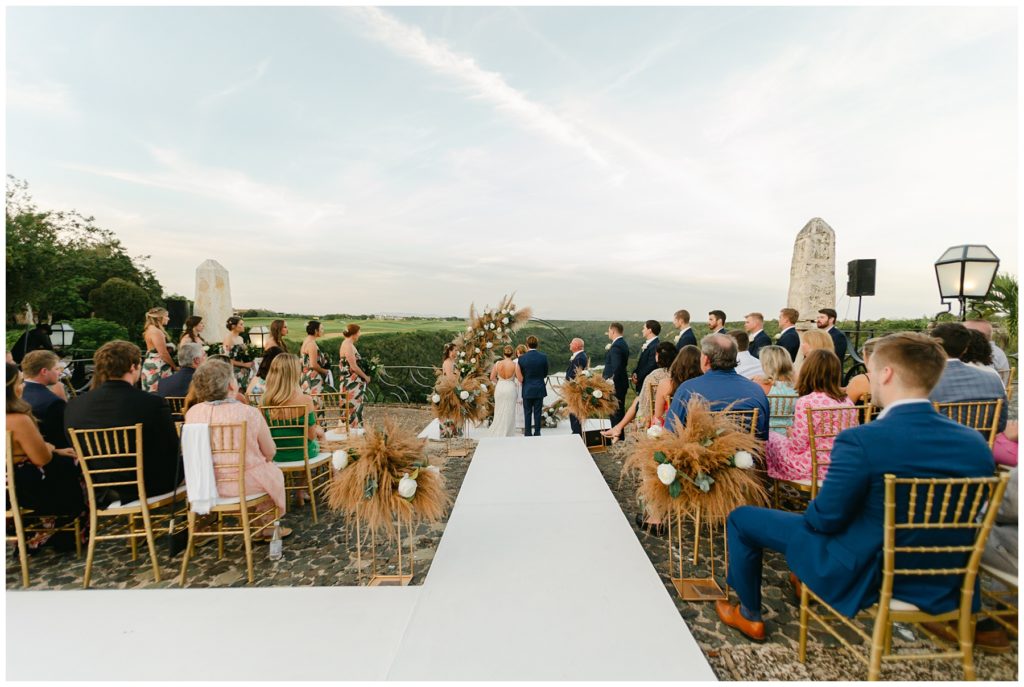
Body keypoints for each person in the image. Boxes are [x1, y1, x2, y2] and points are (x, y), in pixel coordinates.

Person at [717, 332, 996, 642]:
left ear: (887, 374)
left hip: (868, 573)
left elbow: (825, 520)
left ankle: (749, 614)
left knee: (743, 518)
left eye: (871, 370)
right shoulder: (975, 443)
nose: (868, 378)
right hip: (942, 577)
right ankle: (798, 577)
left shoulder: (863, 441)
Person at [64, 341, 182, 505]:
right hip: (150, 485)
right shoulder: (151, 403)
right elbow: (170, 449)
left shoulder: (74, 405)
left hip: (101, 489)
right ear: (133, 367)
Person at [183, 359, 288, 536]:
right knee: (271, 472)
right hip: (247, 484)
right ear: (231, 385)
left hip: (205, 483)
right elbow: (270, 451)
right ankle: (265, 526)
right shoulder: (249, 412)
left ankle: (249, 523)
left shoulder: (193, 413)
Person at [6, 362, 86, 552]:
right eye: (19, 382)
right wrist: (50, 448)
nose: (23, 386)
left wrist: (53, 449)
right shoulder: (17, 419)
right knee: (72, 466)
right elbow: (42, 459)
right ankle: (64, 534)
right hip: (21, 489)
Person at [631, 345, 702, 533]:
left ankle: (655, 516)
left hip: (671, 440)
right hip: (699, 441)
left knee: (647, 461)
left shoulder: (666, 384)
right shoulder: (704, 385)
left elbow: (658, 417)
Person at [766, 350, 857, 483]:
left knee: (769, 437)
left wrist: (791, 433)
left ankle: (769, 490)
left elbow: (798, 446)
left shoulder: (806, 402)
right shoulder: (847, 401)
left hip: (811, 467)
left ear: (808, 372)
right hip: (842, 464)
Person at [666, 334, 770, 440]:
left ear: (706, 359)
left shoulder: (687, 389)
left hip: (699, 455)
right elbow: (762, 438)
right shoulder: (756, 391)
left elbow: (671, 432)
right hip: (746, 454)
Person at [929, 323, 1008, 433]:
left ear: (934, 346)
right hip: (979, 445)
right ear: (966, 348)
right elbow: (1000, 425)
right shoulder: (993, 379)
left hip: (936, 447)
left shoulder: (925, 380)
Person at [261, 353, 324, 488]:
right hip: (302, 455)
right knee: (319, 436)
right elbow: (311, 436)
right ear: (295, 374)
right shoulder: (306, 400)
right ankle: (306, 488)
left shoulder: (264, 401)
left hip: (275, 455)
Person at [602, 341, 677, 440]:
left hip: (657, 416)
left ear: (658, 356)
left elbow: (645, 403)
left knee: (638, 400)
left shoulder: (654, 376)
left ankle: (618, 428)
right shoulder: (679, 374)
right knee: (637, 400)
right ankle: (618, 428)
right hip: (674, 413)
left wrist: (640, 423)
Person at [20, 350, 70, 448]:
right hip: (47, 454)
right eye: (57, 369)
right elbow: (61, 439)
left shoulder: (12, 395)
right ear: (44, 371)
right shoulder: (54, 402)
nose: (60, 373)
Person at [754, 346, 799, 435]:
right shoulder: (797, 385)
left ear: (766, 364)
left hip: (765, 434)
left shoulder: (760, 386)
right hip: (790, 433)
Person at [338, 324, 371, 430]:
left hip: (352, 382)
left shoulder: (348, 344)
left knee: (354, 408)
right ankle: (353, 433)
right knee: (352, 408)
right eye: (359, 332)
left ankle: (354, 433)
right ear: (354, 334)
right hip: (351, 383)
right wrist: (365, 376)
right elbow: (353, 366)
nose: (359, 335)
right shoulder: (348, 345)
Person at [488, 346, 523, 437]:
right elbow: (520, 379)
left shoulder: (497, 363)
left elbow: (492, 377)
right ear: (512, 354)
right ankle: (507, 432)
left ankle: (498, 430)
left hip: (500, 387)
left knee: (499, 409)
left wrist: (499, 382)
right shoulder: (515, 364)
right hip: (510, 387)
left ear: (503, 354)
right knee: (510, 410)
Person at [518, 336, 549, 437]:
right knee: (537, 412)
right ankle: (537, 432)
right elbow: (545, 373)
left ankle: (527, 433)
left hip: (527, 389)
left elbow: (521, 376)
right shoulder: (543, 357)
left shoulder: (521, 359)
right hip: (539, 388)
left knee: (527, 412)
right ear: (537, 344)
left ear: (527, 345)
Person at [141, 307, 177, 393]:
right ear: (159, 317)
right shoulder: (156, 331)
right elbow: (163, 353)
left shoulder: (151, 329)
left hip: (154, 365)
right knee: (158, 394)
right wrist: (174, 367)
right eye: (166, 316)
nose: (168, 318)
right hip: (157, 367)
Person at [603, 323, 630, 427]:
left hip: (616, 385)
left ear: (613, 331)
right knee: (618, 412)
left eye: (609, 331)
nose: (608, 333)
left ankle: (617, 437)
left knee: (615, 413)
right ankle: (619, 436)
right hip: (621, 383)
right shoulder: (622, 343)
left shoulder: (616, 346)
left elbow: (617, 367)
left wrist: (610, 382)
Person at [843, 337, 882, 405]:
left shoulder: (860, 380)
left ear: (867, 357)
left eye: (862, 355)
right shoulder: (898, 379)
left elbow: (846, 408)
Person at [221, 316, 254, 390]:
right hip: (234, 371)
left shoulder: (240, 338)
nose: (243, 326)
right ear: (233, 326)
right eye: (241, 324)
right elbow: (227, 359)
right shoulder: (228, 339)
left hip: (244, 369)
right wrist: (244, 364)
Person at [299, 321, 330, 398]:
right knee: (314, 401)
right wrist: (324, 371)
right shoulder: (311, 344)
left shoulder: (306, 341)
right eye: (321, 329)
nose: (323, 331)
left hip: (305, 375)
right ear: (316, 331)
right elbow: (313, 364)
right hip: (312, 377)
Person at [565, 338, 589, 435]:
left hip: (575, 390)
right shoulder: (579, 356)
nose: (570, 344)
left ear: (577, 346)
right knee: (573, 412)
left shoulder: (580, 358)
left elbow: (575, 375)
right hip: (573, 388)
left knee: (575, 412)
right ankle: (575, 431)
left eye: (571, 343)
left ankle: (576, 432)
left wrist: (569, 382)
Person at [439, 343, 462, 439]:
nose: (457, 352)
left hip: (454, 386)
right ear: (450, 351)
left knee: (455, 410)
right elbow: (449, 377)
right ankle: (448, 432)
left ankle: (455, 430)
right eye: (455, 350)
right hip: (449, 389)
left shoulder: (453, 361)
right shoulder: (448, 362)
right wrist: (457, 376)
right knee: (449, 410)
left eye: (457, 350)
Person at [632, 320, 661, 393]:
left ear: (650, 330)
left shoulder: (655, 345)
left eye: (644, 328)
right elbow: (641, 362)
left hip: (647, 382)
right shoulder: (650, 344)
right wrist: (635, 373)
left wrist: (638, 377)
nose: (642, 330)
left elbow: (651, 365)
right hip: (642, 381)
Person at [514, 344, 528, 433]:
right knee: (520, 404)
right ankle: (521, 424)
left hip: (521, 383)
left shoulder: (516, 361)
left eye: (520, 353)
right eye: (519, 353)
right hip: (520, 384)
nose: (519, 355)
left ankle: (522, 424)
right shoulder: (516, 361)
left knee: (522, 404)